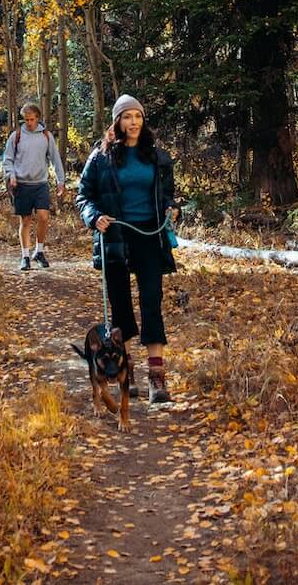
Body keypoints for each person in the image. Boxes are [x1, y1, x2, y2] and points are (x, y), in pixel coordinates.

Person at [76, 94, 181, 404]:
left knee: (152, 300)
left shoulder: (158, 157)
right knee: (121, 306)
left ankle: (157, 378)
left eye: (137, 116)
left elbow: (169, 195)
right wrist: (94, 217)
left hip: (150, 234)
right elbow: (83, 196)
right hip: (115, 236)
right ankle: (127, 369)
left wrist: (171, 209)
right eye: (127, 117)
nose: (133, 122)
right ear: (117, 122)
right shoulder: (101, 157)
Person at [1, 102, 66, 270]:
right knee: (26, 220)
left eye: (31, 119)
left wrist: (61, 180)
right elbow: (7, 159)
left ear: (38, 118)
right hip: (22, 184)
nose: (28, 123)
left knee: (44, 217)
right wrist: (12, 175)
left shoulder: (46, 136)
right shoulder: (16, 136)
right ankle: (25, 256)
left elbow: (55, 158)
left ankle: (39, 251)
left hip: (41, 184)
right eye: (26, 119)